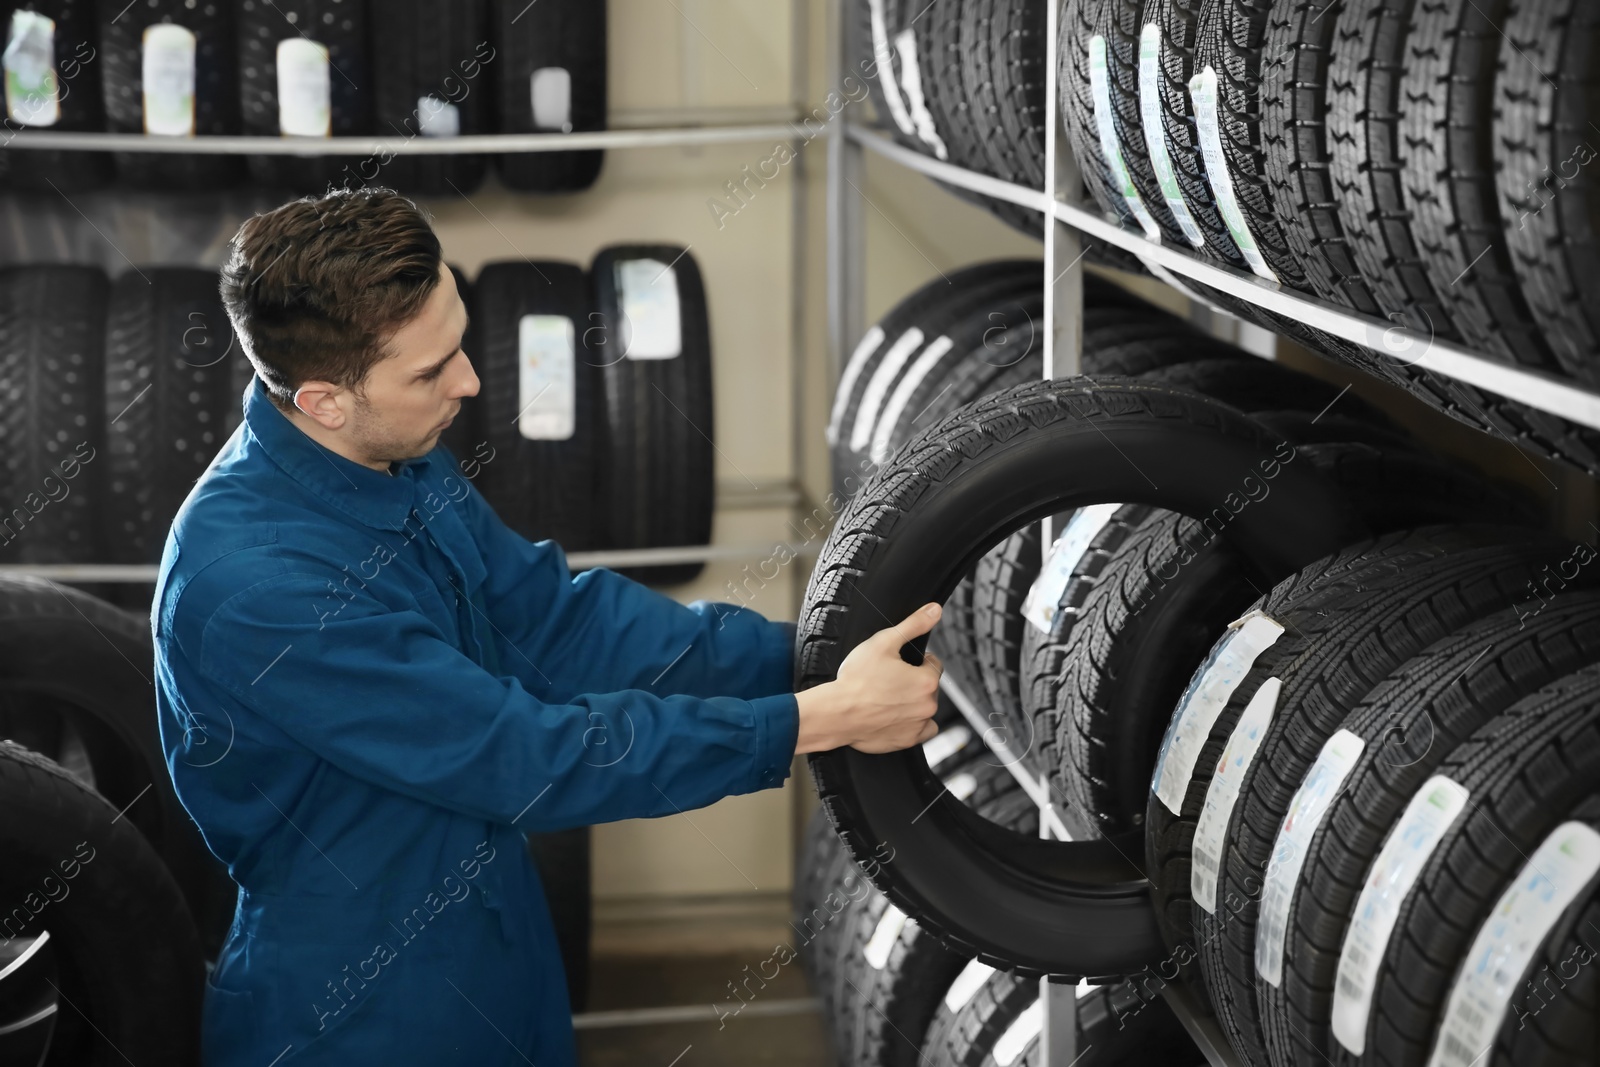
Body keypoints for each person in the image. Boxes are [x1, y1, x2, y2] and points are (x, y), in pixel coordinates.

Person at [150, 186, 943, 1066]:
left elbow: (556, 622)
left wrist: (808, 654)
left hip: (490, 933)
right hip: (362, 1002)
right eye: (430, 371)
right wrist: (817, 719)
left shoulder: (389, 457)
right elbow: (525, 756)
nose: (471, 381)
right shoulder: (256, 587)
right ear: (324, 398)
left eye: (457, 341)